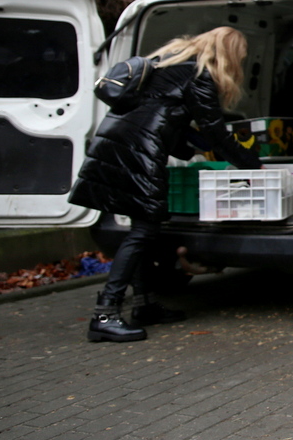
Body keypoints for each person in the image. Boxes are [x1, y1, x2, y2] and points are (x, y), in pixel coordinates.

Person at [70, 26, 262, 343]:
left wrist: (194, 147)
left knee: (145, 230)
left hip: (121, 146)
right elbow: (216, 132)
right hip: (137, 154)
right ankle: (105, 315)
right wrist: (253, 165)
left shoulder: (170, 64)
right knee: (144, 230)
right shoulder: (200, 74)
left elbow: (165, 117)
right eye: (238, 57)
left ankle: (144, 306)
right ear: (228, 54)